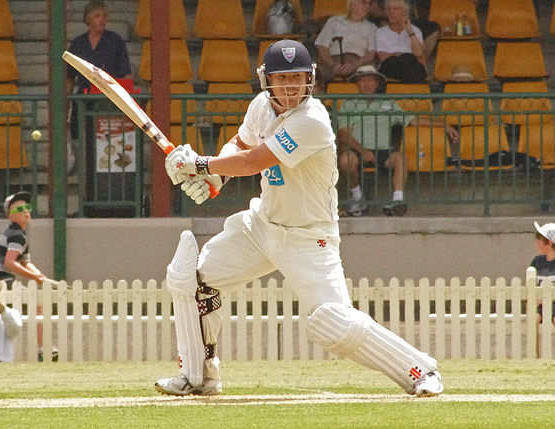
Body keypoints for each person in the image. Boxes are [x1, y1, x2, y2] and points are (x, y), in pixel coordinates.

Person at [156, 39, 443, 397]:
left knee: (332, 324)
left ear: (310, 79)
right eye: (282, 78)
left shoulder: (313, 120)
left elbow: (253, 162)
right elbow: (241, 146)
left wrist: (199, 165)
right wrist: (218, 175)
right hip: (262, 226)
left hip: (310, 238)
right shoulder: (261, 106)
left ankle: (420, 370)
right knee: (194, 280)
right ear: (267, 80)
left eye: (298, 77)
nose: (290, 86)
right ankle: (198, 376)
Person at [336, 65, 458, 216]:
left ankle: (397, 200)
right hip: (357, 150)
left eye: (371, 80)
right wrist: (363, 151)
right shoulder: (349, 104)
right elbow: (343, 134)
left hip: (383, 150)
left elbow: (413, 120)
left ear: (377, 83)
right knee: (345, 160)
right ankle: (358, 198)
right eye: (363, 80)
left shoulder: (388, 103)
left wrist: (444, 125)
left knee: (400, 158)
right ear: (357, 83)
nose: (367, 84)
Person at [0, 191, 52, 361]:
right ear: (10, 215)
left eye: (27, 207)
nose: (26, 211)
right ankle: (42, 348)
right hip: (0, 278)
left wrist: (36, 273)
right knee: (36, 304)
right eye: (20, 208)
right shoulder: (17, 235)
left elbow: (24, 261)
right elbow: (9, 263)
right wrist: (34, 278)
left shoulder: (19, 234)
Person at [65, 0, 132, 175]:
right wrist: (66, 107)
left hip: (109, 100)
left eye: (104, 16)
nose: (101, 20)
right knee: (80, 138)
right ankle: (84, 176)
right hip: (84, 99)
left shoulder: (115, 41)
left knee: (108, 141)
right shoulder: (78, 43)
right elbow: (69, 78)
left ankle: (105, 180)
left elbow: (126, 74)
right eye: (97, 16)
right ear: (87, 18)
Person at [314, 0, 377, 82]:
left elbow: (371, 53)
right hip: (333, 60)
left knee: (369, 75)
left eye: (369, 4)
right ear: (352, 3)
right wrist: (333, 65)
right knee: (315, 75)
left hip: (358, 63)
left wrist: (353, 65)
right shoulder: (334, 21)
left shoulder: (371, 28)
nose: (367, 6)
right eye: (363, 2)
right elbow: (323, 49)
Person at [375, 0, 427, 83]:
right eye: (389, 9)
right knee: (407, 59)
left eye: (396, 9)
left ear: (404, 12)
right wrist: (405, 56)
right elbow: (383, 57)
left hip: (411, 66)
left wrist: (409, 31)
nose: (391, 12)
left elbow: (419, 53)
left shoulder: (415, 31)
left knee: (409, 60)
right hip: (391, 67)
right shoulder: (380, 32)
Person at [531, 222, 555, 328]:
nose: (536, 241)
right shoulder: (537, 262)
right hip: (540, 305)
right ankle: (533, 345)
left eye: (539, 238)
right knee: (532, 321)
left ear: (549, 243)